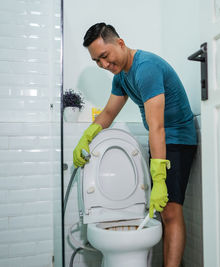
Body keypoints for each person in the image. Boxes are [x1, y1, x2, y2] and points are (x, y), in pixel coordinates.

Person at [73, 22, 197, 267]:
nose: (104, 65)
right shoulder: (121, 77)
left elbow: (157, 126)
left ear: (120, 43)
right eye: (97, 61)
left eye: (105, 56)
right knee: (166, 212)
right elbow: (108, 113)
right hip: (162, 139)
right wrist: (85, 138)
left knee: (171, 211)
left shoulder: (146, 68)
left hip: (177, 138)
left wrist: (160, 178)